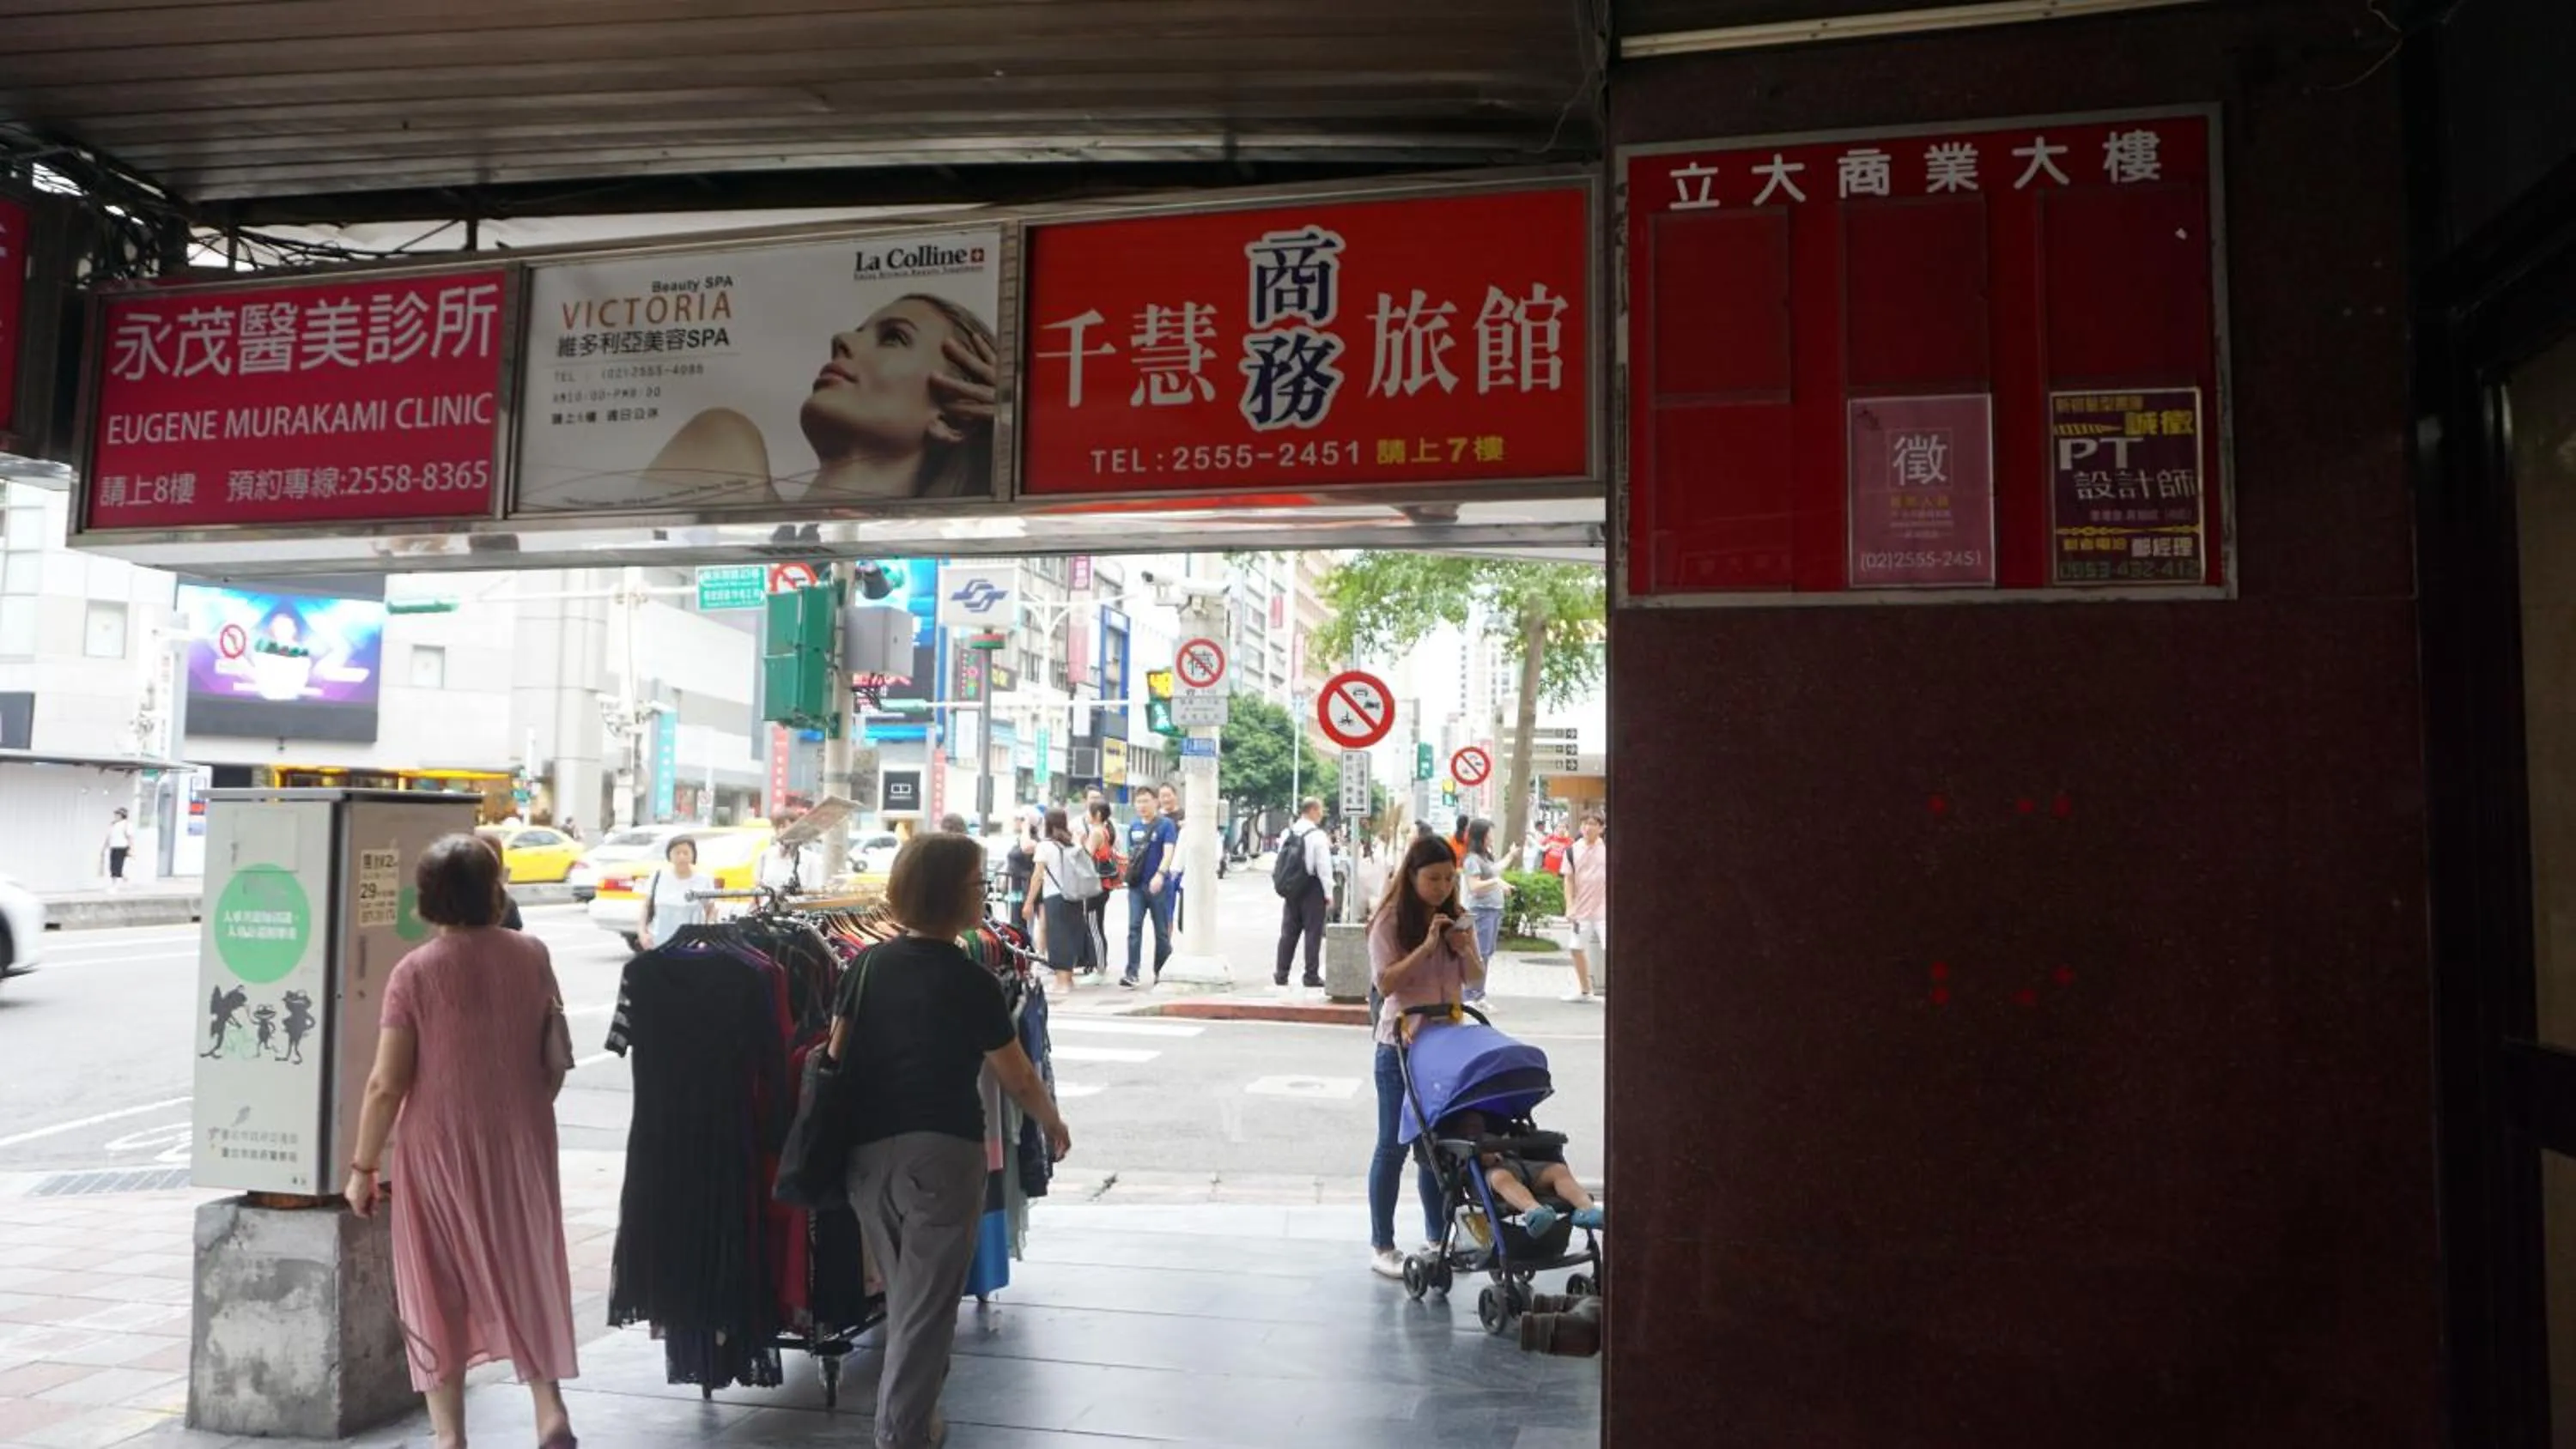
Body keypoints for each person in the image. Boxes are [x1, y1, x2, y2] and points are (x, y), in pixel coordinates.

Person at [828, 835, 1070, 1449]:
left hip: (865, 1156)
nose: (983, 892)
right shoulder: (970, 981)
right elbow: (1015, 1073)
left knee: (909, 1300)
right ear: (945, 892)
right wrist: (1052, 1121)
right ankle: (901, 1433)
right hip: (940, 1155)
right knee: (926, 1314)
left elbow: (834, 1055)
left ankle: (919, 1423)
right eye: (975, 883)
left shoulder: (865, 965)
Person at [345, 834, 580, 1449]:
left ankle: (449, 1436)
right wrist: (522, 1113)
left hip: (439, 1146)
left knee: (436, 1281)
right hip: (523, 1137)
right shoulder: (532, 953)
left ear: (426, 899)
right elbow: (552, 1057)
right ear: (494, 890)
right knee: (527, 1262)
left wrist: (362, 1167)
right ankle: (548, 1407)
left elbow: (386, 1084)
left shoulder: (414, 973)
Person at [640, 296, 1000, 506]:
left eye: (893, 338)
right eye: (857, 331)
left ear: (954, 420)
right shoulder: (723, 445)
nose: (841, 338)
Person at [1366, 835, 1485, 1278]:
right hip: (1401, 1045)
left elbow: (1475, 980)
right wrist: (1427, 948)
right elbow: (1386, 983)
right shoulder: (1389, 921)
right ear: (1411, 876)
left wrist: (1464, 947)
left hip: (1446, 1049)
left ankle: (1438, 1239)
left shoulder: (1457, 919)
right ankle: (1382, 1244)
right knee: (1392, 1146)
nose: (1441, 887)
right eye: (1432, 878)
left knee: (1434, 1150)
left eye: (1448, 879)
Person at [1445, 1109, 1605, 1239]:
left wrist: (1520, 1135)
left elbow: (1515, 1138)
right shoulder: (1456, 1144)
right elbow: (1456, 1167)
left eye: (1478, 1123)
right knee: (1501, 1177)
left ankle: (1587, 1210)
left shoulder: (1497, 1128)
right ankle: (1535, 1211)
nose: (1476, 1126)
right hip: (1486, 1177)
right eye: (1470, 1124)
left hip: (1520, 1165)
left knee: (1558, 1170)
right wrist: (1479, 1156)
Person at [1022, 808, 1091, 994]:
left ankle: (1062, 982)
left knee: (1058, 937)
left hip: (1054, 897)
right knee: (1070, 935)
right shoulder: (1072, 844)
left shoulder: (1045, 846)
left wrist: (1029, 902)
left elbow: (1037, 877)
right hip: (1074, 896)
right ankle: (1067, 978)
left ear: (1048, 823)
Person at [1273, 797, 1333, 990]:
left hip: (1292, 888)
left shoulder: (1287, 833)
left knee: (1288, 932)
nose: (1321, 814)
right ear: (1313, 810)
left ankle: (1281, 973)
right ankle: (1311, 974)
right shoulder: (1317, 836)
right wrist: (1329, 892)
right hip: (1312, 887)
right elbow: (1323, 867)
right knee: (1312, 933)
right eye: (1320, 810)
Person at [1122, 786, 1178, 988]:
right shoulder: (1134, 826)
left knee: (1161, 931)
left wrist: (1160, 875)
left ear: (1155, 802)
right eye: (1139, 802)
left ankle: (1161, 971)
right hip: (1137, 886)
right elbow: (1131, 855)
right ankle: (1131, 972)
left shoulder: (1166, 825)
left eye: (1146, 801)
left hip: (1159, 886)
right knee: (1134, 928)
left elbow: (1168, 852)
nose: (1142, 806)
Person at [1461, 819, 1512, 1004]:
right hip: (1480, 911)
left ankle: (1478, 994)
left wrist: (1510, 856)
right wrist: (1496, 882)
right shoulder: (1472, 859)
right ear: (1481, 835)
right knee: (1479, 954)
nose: (1492, 837)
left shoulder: (1485, 858)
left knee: (1485, 954)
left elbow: (1494, 871)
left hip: (1492, 911)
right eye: (1490, 833)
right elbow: (1474, 887)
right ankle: (1470, 995)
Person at [1559, 813, 1607, 1003]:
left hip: (1605, 911)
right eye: (1585, 824)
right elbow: (1568, 880)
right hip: (1582, 910)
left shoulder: (1608, 850)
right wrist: (1570, 906)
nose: (1588, 828)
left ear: (1601, 828)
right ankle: (1585, 990)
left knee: (1610, 950)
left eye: (1593, 824)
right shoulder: (1571, 851)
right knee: (1576, 948)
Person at [637, 836, 709, 952]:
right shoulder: (658, 877)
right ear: (669, 855)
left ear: (693, 855)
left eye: (686, 853)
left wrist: (706, 938)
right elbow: (646, 907)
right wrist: (642, 933)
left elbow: (711, 911)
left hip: (691, 944)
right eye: (677, 853)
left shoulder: (703, 880)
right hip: (659, 941)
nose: (682, 857)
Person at [1082, 801, 1118, 977]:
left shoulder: (1096, 832)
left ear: (1096, 815)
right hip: (1102, 886)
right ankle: (1098, 965)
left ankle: (1100, 969)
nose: (1086, 815)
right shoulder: (1104, 830)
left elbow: (1085, 855)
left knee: (1094, 926)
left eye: (1088, 812)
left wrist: (1077, 841)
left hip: (1096, 887)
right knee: (1096, 925)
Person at [104, 808, 133, 887]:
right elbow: (109, 836)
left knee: (117, 865)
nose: (116, 816)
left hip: (122, 846)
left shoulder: (126, 824)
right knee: (113, 865)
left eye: (118, 814)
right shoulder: (113, 825)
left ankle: (115, 884)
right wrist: (105, 846)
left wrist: (130, 848)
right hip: (113, 846)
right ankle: (124, 879)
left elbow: (129, 837)